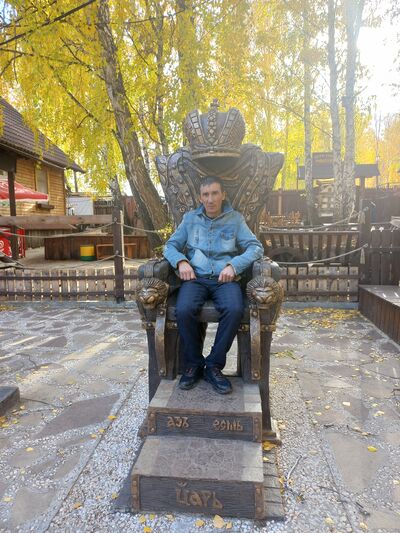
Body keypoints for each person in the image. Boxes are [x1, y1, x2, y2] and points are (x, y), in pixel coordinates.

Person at [163, 176, 264, 394]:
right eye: (206, 195)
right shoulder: (190, 219)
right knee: (184, 309)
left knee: (234, 309)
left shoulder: (235, 219)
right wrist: (181, 262)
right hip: (196, 278)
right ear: (200, 197)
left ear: (223, 195)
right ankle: (193, 364)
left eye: (215, 193)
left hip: (224, 279)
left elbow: (255, 248)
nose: (210, 199)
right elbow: (170, 246)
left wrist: (234, 265)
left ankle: (214, 365)